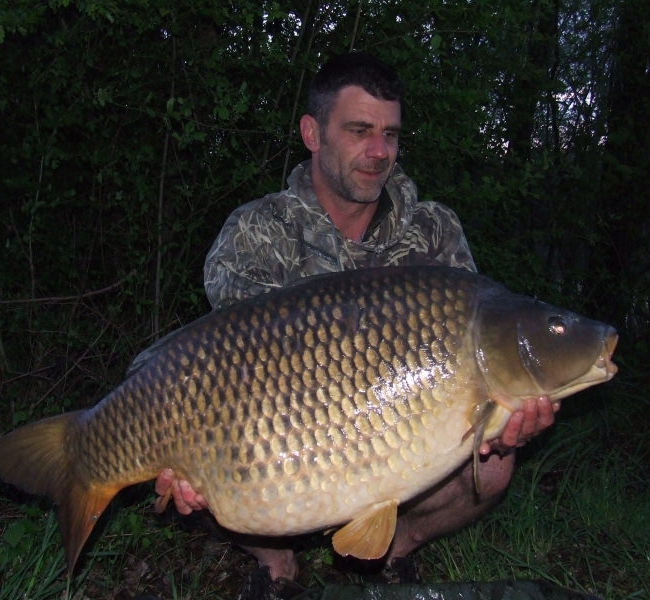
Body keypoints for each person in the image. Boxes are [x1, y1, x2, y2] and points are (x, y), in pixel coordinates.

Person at [150, 52, 558, 586]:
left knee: (496, 465)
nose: (379, 151)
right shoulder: (256, 231)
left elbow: (474, 370)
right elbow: (231, 372)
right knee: (194, 461)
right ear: (313, 134)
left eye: (390, 134)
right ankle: (276, 567)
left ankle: (392, 552)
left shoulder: (432, 232)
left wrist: (505, 426)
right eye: (360, 130)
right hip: (286, 445)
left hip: (390, 442)